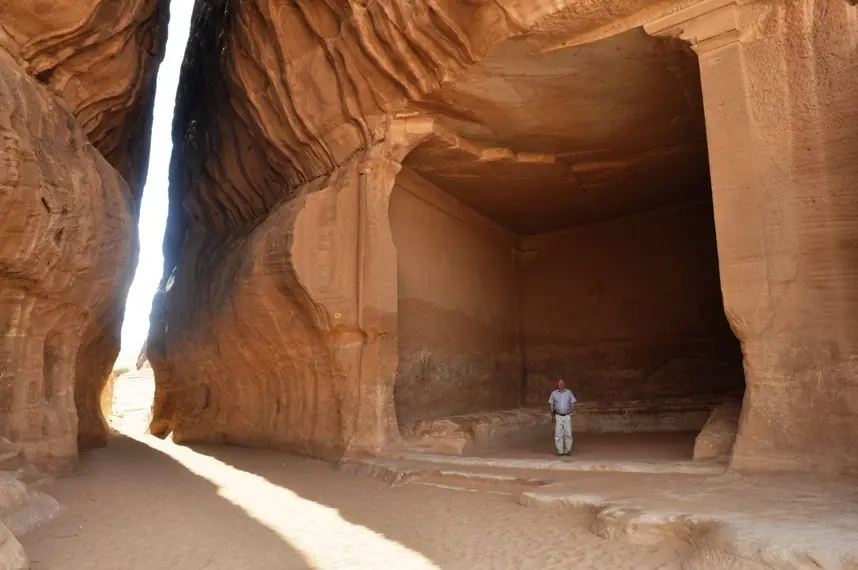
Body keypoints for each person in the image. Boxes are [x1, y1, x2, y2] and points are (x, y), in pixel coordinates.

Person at [548, 377, 576, 456]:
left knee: (568, 433)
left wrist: (571, 413)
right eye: (559, 383)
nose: (561, 384)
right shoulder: (554, 393)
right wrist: (553, 415)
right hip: (558, 415)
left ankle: (568, 450)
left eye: (562, 383)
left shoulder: (569, 392)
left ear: (564, 384)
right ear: (557, 384)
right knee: (558, 434)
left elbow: (572, 402)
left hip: (567, 415)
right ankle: (560, 451)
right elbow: (551, 404)